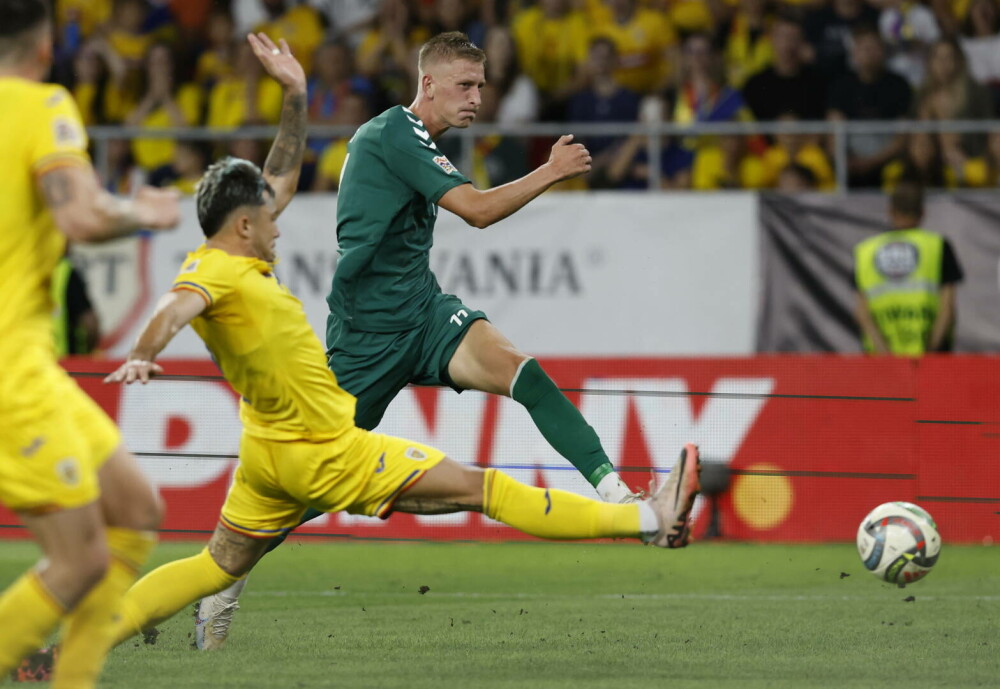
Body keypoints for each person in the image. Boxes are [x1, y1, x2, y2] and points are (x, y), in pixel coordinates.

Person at [102, 31, 703, 652]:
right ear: (428, 84)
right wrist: (550, 170)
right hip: (365, 340)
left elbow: (280, 175)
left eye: (482, 84)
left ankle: (620, 495)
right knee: (299, 493)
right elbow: (475, 210)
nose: (478, 97)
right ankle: (223, 586)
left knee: (522, 372)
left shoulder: (417, 143)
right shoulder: (396, 133)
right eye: (465, 85)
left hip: (422, 314)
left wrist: (295, 94)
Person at [0, 0, 180, 685]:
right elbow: (78, 213)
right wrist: (148, 210)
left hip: (32, 364)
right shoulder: (45, 105)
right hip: (9, 367)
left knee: (137, 508)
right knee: (79, 560)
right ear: (46, 46)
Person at [853, 181, 964, 356]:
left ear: (890, 211)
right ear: (923, 212)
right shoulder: (938, 246)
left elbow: (862, 313)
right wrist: (930, 354)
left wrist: (887, 357)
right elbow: (947, 308)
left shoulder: (865, 251)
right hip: (930, 361)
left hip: (880, 363)